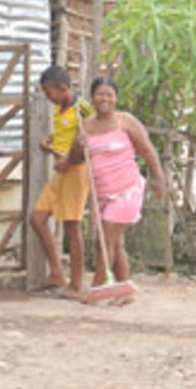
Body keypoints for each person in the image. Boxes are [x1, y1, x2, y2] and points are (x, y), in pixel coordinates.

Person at [72, 76, 165, 298]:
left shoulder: (126, 122)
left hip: (127, 191)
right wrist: (79, 144)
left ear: (116, 98)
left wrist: (158, 178)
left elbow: (147, 150)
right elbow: (76, 158)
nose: (104, 99)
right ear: (92, 98)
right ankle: (124, 291)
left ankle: (95, 289)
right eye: (99, 94)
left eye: (109, 95)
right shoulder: (85, 127)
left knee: (104, 240)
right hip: (104, 194)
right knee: (116, 244)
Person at [28, 66, 93, 295]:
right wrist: (50, 143)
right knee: (37, 218)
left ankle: (76, 284)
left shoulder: (82, 108)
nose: (47, 97)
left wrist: (68, 160)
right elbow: (66, 135)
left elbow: (89, 137)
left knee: (72, 227)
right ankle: (56, 273)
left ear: (62, 88)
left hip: (76, 170)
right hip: (61, 170)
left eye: (48, 92)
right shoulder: (59, 108)